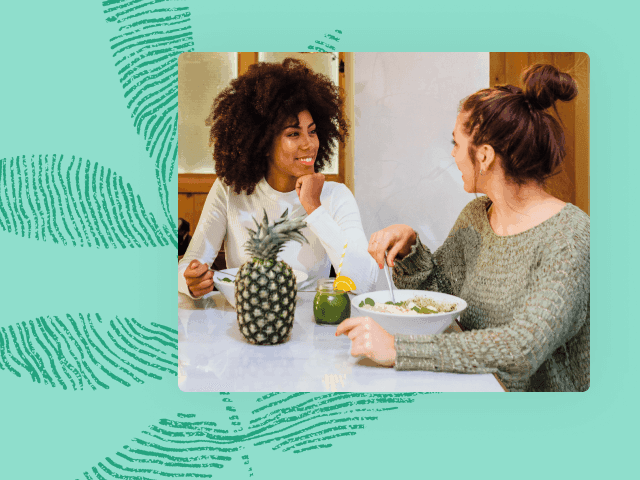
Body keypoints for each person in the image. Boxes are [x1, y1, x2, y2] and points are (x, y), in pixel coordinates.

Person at [336, 64, 590, 392]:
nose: (453, 155)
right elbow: (441, 295)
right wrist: (410, 248)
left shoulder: (569, 236)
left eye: (456, 144)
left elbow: (521, 348)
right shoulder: (477, 215)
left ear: (483, 156)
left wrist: (399, 348)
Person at [178, 58, 377, 299]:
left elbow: (364, 283)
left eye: (312, 131)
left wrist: (315, 209)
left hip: (316, 322)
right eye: (293, 133)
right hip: (246, 318)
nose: (309, 144)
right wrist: (190, 282)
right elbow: (187, 266)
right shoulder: (229, 190)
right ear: (262, 143)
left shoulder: (336, 196)